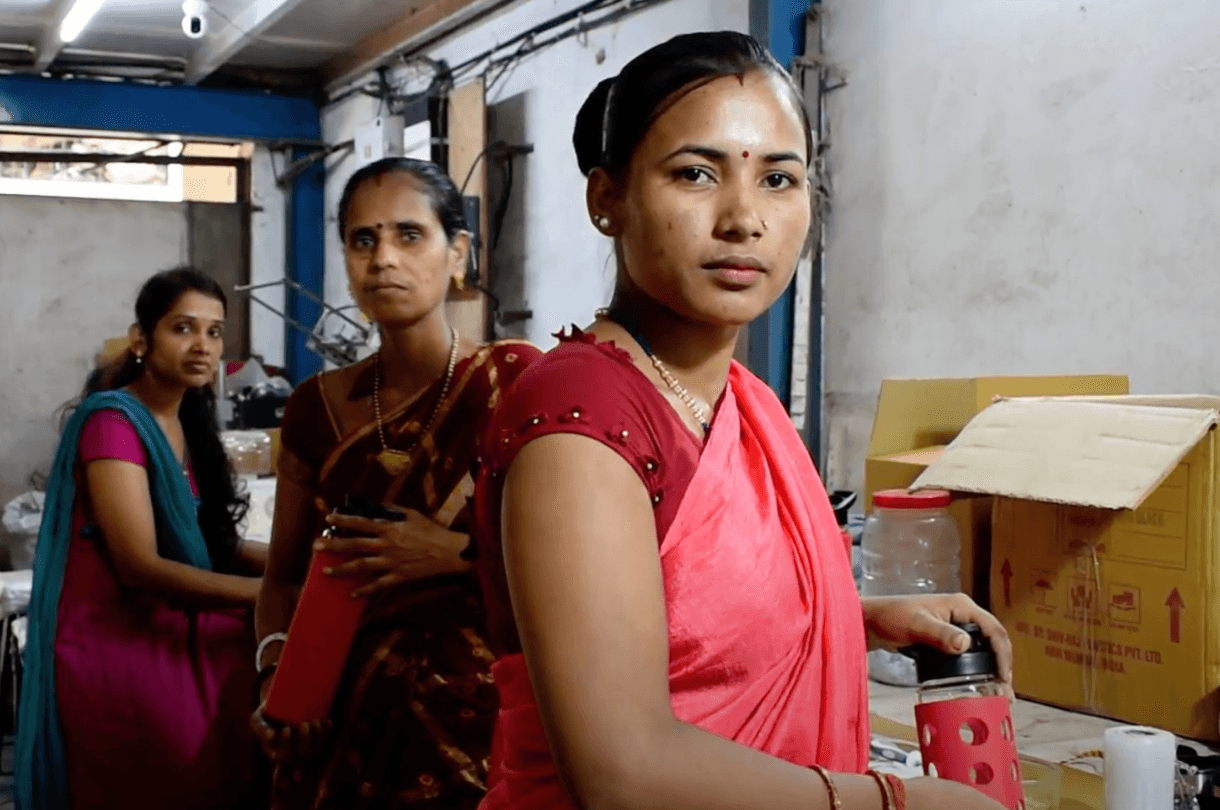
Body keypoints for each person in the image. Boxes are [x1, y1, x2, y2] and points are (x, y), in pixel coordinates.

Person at [472, 31, 1013, 810]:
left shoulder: (739, 400)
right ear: (607, 200)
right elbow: (622, 772)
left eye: (778, 179)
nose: (743, 218)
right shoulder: (581, 425)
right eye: (696, 173)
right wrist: (897, 803)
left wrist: (857, 618)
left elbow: (687, 622)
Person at [251, 157, 541, 810]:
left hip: (481, 726)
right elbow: (283, 580)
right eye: (363, 239)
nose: (383, 258)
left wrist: (458, 556)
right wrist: (274, 680)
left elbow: (580, 569)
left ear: (457, 251)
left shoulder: (518, 383)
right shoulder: (315, 409)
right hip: (339, 722)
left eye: (410, 235)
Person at [16, 267, 266, 810]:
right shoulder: (114, 424)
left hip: (167, 614)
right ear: (140, 339)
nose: (202, 346)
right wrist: (267, 594)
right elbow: (140, 566)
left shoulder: (187, 420)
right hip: (118, 632)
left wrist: (300, 562)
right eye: (183, 328)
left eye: (214, 332)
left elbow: (213, 540)